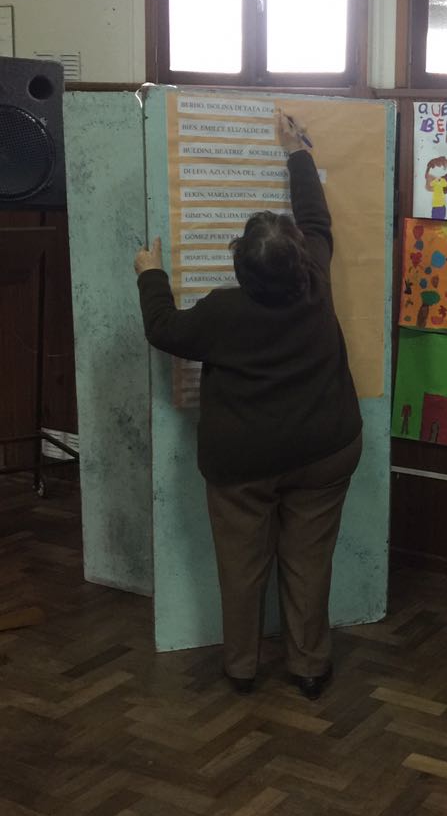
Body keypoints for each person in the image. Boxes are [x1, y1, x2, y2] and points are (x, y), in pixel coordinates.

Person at [134, 113, 362, 700]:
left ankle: (241, 668)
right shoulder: (315, 279)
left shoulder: (222, 311)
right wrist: (298, 152)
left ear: (241, 267)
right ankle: (309, 667)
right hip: (325, 448)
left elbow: (163, 329)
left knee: (241, 567)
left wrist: (151, 273)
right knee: (309, 563)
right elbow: (316, 219)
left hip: (243, 464)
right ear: (299, 259)